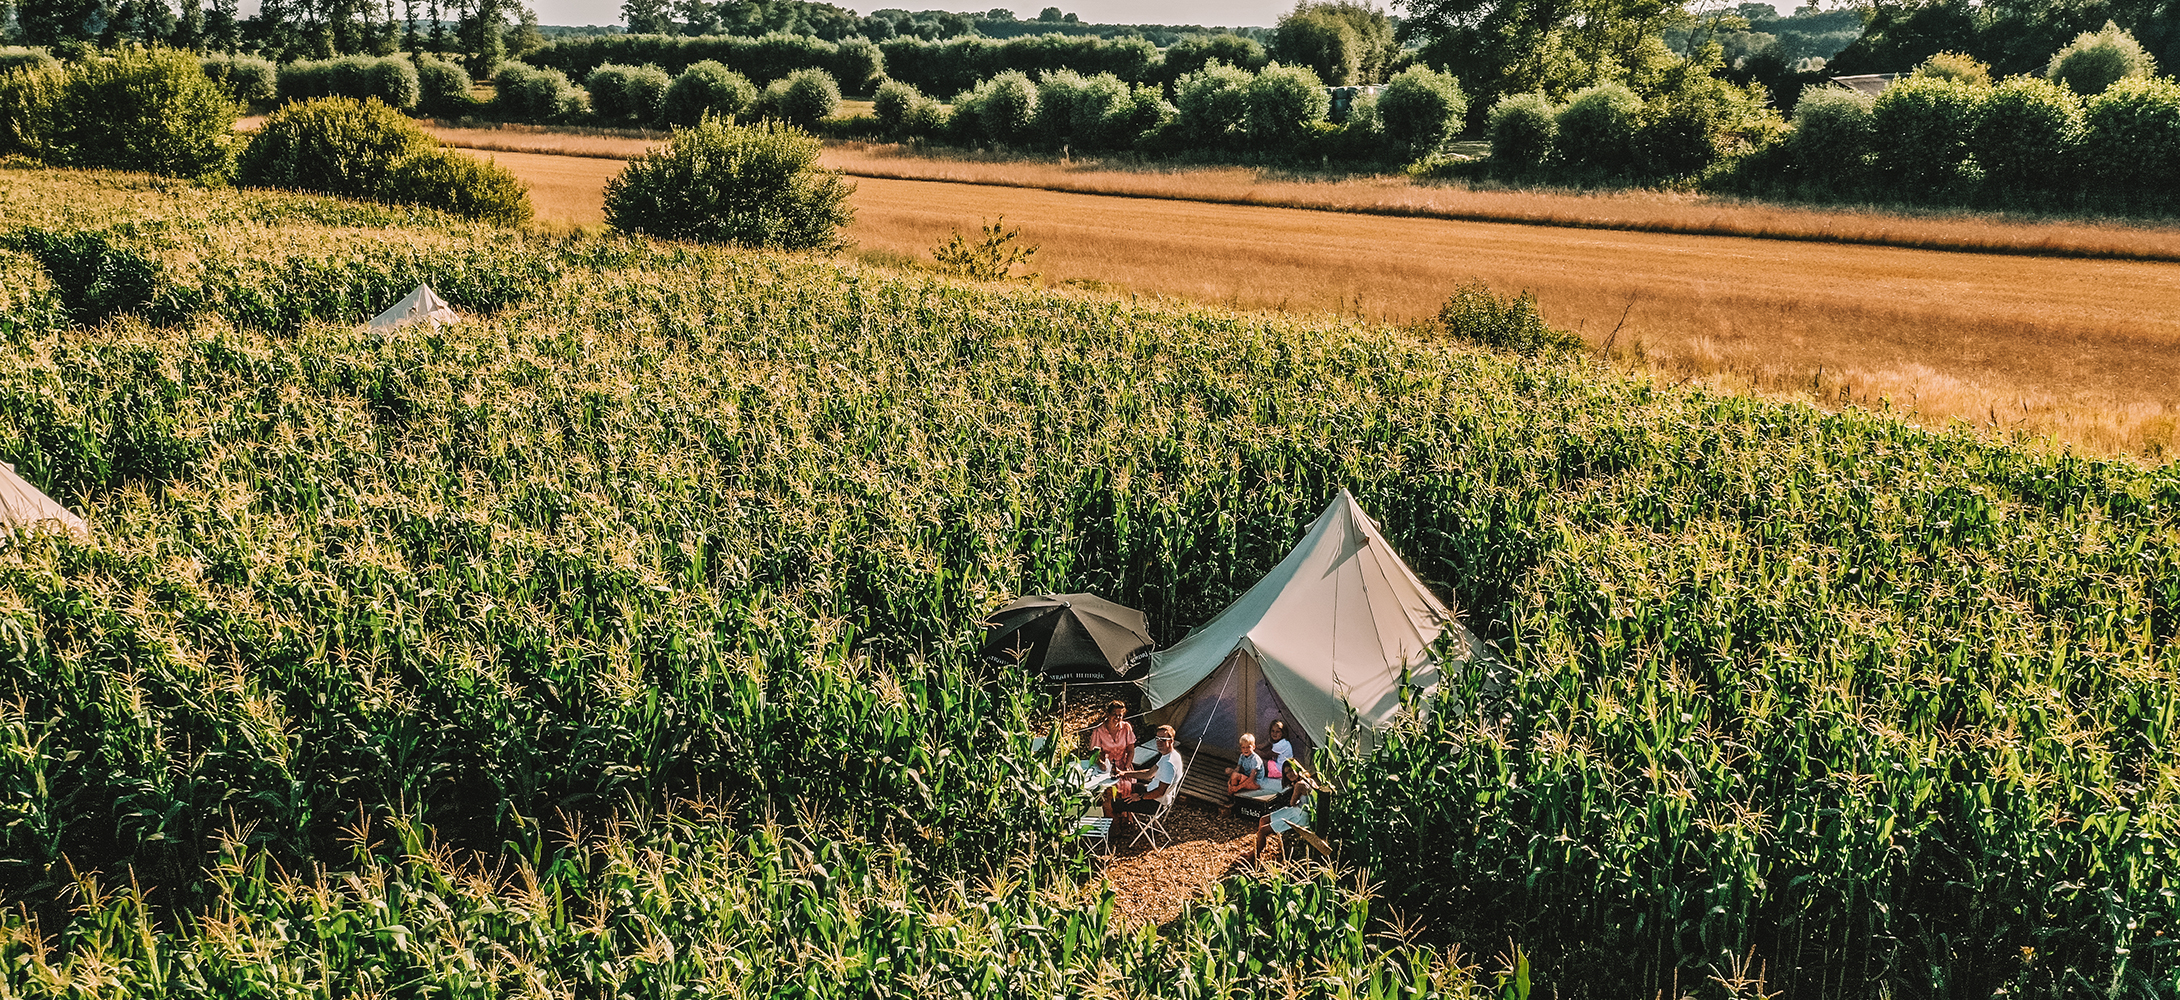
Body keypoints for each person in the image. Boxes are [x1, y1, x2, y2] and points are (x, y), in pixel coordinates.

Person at [1243, 758, 1331, 862]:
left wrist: (1295, 790)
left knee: (1262, 830)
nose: (1289, 774)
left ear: (1297, 769)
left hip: (1301, 815)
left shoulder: (1299, 785)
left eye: (1291, 770)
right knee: (1263, 819)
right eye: (1286, 773)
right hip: (1297, 810)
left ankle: (1254, 856)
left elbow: (1292, 803)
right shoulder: (1309, 780)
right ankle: (1257, 848)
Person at [1115, 725, 1182, 825]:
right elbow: (1149, 773)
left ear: (1171, 741)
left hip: (1155, 803)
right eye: (1157, 739)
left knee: (1113, 804)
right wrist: (1124, 773)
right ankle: (1125, 819)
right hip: (1158, 796)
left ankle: (1114, 832)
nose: (1159, 742)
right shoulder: (1170, 755)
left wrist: (1140, 797)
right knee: (1130, 786)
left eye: (1163, 739)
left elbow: (1160, 792)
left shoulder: (1169, 764)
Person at [1225, 733, 1266, 813]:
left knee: (1235, 776)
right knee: (1229, 771)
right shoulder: (1242, 756)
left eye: (1248, 747)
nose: (1245, 749)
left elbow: (1251, 779)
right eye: (1243, 747)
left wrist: (1238, 787)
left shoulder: (1255, 759)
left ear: (1253, 747)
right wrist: (1229, 782)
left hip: (1255, 782)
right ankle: (1232, 789)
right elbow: (1237, 768)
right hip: (1247, 777)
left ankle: (1232, 796)